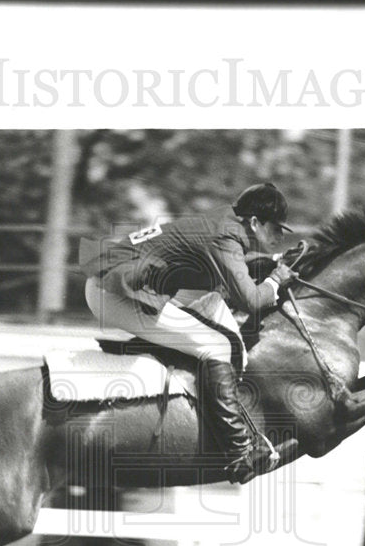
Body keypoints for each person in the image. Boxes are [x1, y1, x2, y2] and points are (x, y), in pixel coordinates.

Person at [81, 182, 300, 484]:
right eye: (276, 229)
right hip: (115, 293)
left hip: (120, 282)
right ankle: (239, 453)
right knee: (217, 347)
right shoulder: (226, 235)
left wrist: (272, 265)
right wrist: (275, 280)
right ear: (253, 222)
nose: (280, 236)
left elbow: (231, 270)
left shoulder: (225, 223)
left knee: (209, 324)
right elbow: (249, 300)